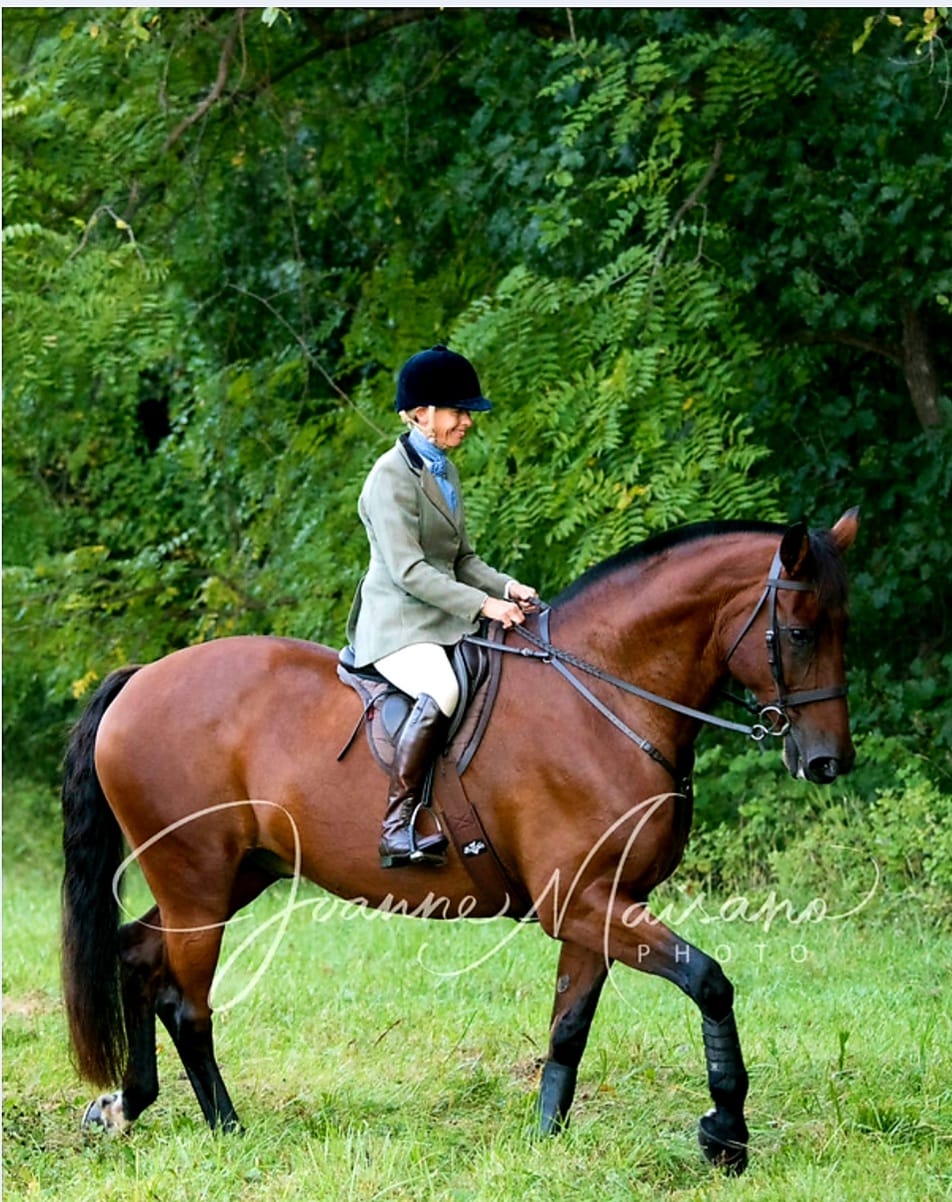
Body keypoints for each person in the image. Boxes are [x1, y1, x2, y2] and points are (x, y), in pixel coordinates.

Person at [346, 345, 538, 869]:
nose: (467, 421)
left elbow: (463, 559)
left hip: (441, 616)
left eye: (466, 411)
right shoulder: (390, 477)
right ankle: (395, 826)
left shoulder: (443, 472)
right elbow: (409, 571)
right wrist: (483, 607)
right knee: (443, 688)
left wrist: (506, 588)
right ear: (421, 413)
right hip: (398, 623)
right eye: (457, 411)